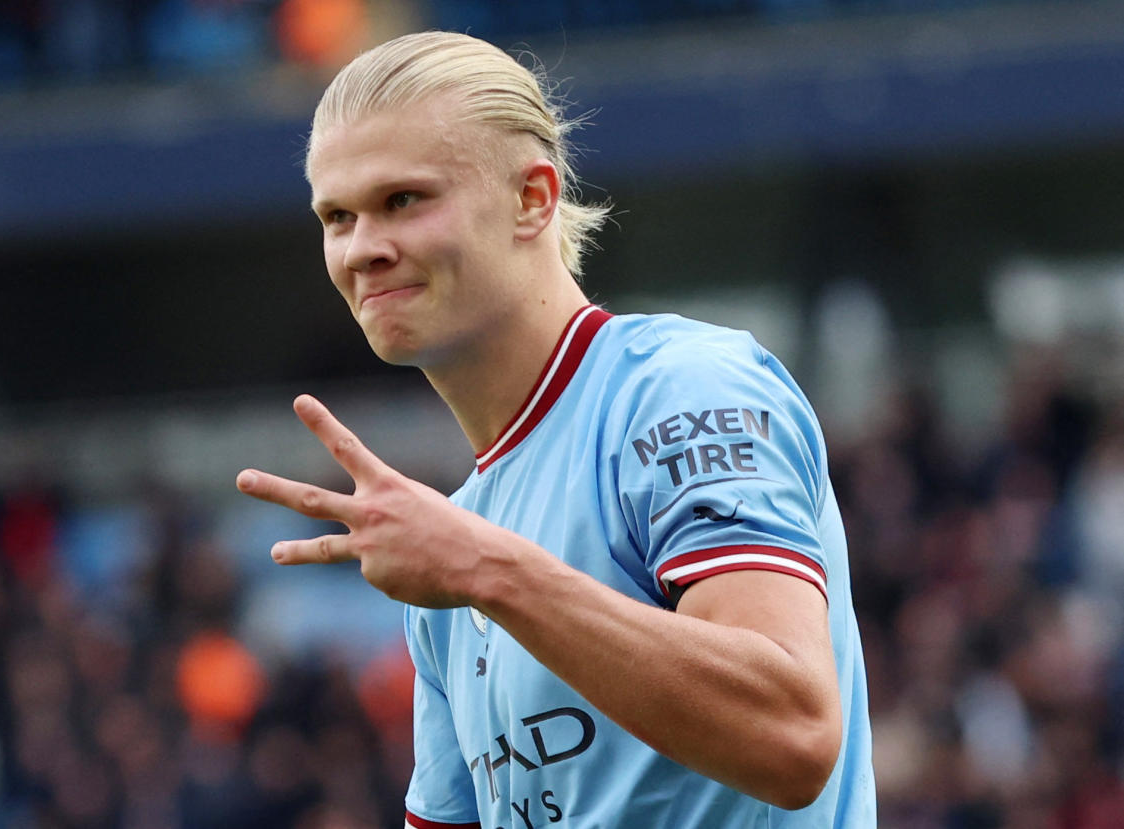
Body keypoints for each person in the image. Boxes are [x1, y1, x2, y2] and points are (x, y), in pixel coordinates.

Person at [237, 30, 876, 828]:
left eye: (403, 199)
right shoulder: (448, 541)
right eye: (337, 216)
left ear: (532, 198)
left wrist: (486, 569)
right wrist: (473, 562)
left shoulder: (680, 390)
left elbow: (792, 735)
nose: (363, 248)